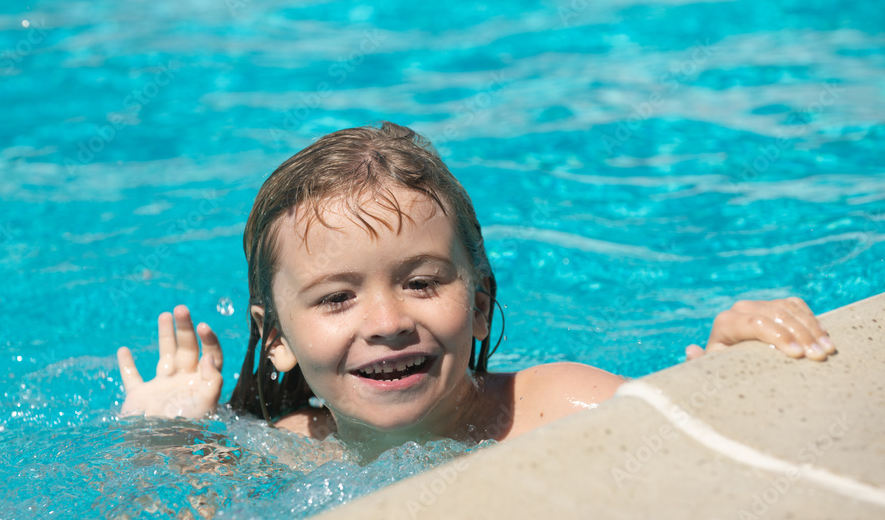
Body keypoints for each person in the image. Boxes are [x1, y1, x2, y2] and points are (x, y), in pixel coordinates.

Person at [116, 122, 835, 457]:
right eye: (337, 297)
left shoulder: (555, 405)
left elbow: (688, 428)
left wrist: (728, 358)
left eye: (423, 281)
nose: (389, 319)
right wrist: (162, 442)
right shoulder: (277, 452)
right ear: (276, 339)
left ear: (481, 301)